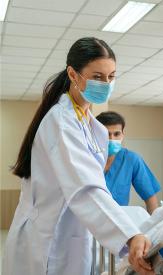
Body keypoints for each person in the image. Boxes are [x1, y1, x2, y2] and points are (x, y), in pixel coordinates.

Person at [2, 37, 152, 275]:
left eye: (111, 76)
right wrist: (130, 235)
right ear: (73, 75)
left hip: (73, 235)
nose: (106, 83)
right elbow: (85, 187)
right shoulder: (61, 122)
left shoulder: (93, 128)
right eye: (97, 77)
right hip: (47, 239)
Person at [96, 111, 160, 213]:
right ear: (96, 134)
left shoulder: (131, 160)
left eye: (116, 134)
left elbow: (150, 198)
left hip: (118, 221)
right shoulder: (86, 158)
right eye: (106, 134)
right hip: (86, 223)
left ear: (122, 135)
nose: (111, 139)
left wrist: (154, 227)